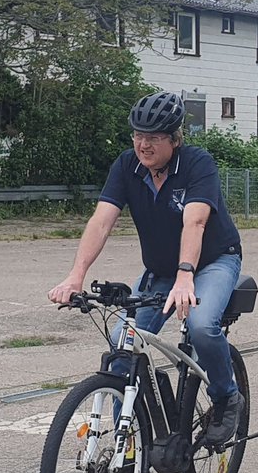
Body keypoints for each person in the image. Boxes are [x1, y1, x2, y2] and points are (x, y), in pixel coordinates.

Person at [48, 91, 245, 445]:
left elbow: (195, 223)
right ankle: (127, 447)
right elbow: (101, 222)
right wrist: (75, 275)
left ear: (174, 139)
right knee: (121, 347)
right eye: (138, 136)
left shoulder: (198, 164)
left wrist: (186, 276)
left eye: (153, 138)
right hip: (160, 270)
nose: (143, 144)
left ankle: (227, 396)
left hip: (213, 261)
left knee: (201, 326)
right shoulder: (127, 166)